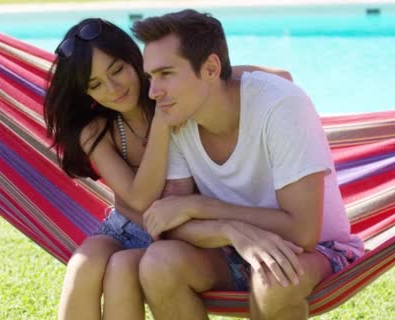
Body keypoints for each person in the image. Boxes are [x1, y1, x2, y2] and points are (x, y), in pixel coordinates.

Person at [43, 18, 293, 320]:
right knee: (83, 265)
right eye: (95, 85)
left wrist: (223, 76)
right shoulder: (96, 130)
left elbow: (283, 78)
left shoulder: (175, 91)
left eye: (117, 70)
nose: (113, 89)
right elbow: (139, 200)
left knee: (121, 269)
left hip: (180, 234)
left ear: (134, 59)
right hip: (126, 226)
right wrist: (162, 122)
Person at [130, 9, 364, 320]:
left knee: (272, 279)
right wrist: (230, 230)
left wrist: (202, 206)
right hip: (231, 249)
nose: (153, 92)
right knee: (158, 263)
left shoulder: (280, 106)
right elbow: (170, 226)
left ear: (211, 68)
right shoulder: (177, 118)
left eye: (166, 74)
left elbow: (302, 232)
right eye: (150, 77)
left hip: (318, 249)